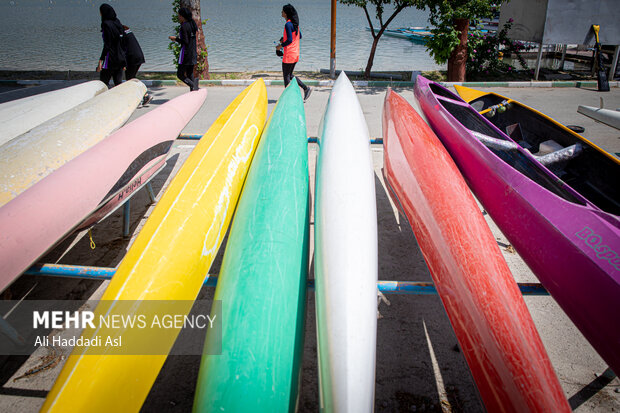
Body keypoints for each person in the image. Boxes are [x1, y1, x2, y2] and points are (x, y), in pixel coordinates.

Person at [275, 4, 312, 101]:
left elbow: (290, 40)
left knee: (286, 76)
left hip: (289, 54)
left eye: (282, 11)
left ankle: (288, 98)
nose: (281, 13)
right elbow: (299, 36)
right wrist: (284, 39)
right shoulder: (295, 25)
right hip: (295, 54)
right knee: (290, 75)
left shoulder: (288, 24)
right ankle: (306, 88)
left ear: (286, 13)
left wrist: (280, 46)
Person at [169, 8, 200, 91]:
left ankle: (194, 86)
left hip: (185, 53)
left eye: (179, 15)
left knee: (180, 74)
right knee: (190, 73)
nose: (178, 17)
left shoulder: (184, 26)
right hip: (193, 52)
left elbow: (185, 41)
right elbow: (194, 38)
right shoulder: (193, 23)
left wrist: (175, 38)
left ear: (182, 16)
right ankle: (194, 92)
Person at [97, 4, 126, 88]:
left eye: (100, 12)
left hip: (111, 59)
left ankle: (103, 100)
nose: (100, 14)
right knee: (118, 84)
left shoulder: (106, 25)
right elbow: (123, 41)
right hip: (120, 58)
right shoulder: (117, 22)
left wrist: (101, 60)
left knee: (103, 84)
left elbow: (107, 45)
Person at [123, 24, 152, 105]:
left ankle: (143, 96)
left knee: (130, 79)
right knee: (132, 78)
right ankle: (144, 96)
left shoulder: (122, 35)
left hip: (132, 58)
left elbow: (124, 50)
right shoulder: (128, 32)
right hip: (139, 56)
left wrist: (123, 63)